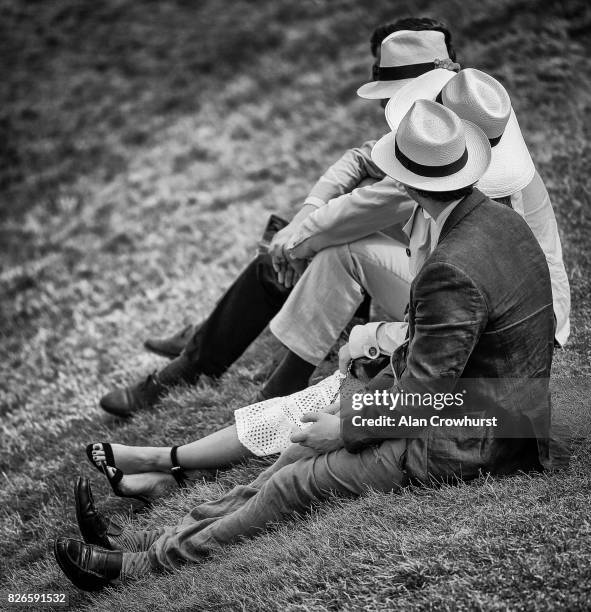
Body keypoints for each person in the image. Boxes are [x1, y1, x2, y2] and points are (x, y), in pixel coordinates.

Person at [54, 100, 556, 590]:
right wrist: (351, 405)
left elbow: (426, 395)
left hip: (478, 440)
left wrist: (347, 425)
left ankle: (140, 568)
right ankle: (148, 542)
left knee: (298, 481)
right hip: (476, 409)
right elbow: (425, 362)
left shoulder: (452, 265)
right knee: (292, 450)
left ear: (406, 181)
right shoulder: (494, 220)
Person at [98, 18, 459, 417]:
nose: (379, 103)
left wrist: (293, 241)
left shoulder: (445, 135)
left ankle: (214, 364)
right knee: (305, 238)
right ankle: (209, 353)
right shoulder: (438, 117)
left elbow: (374, 205)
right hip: (438, 268)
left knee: (314, 246)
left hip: (456, 294)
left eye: (388, 89)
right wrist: (305, 216)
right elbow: (362, 157)